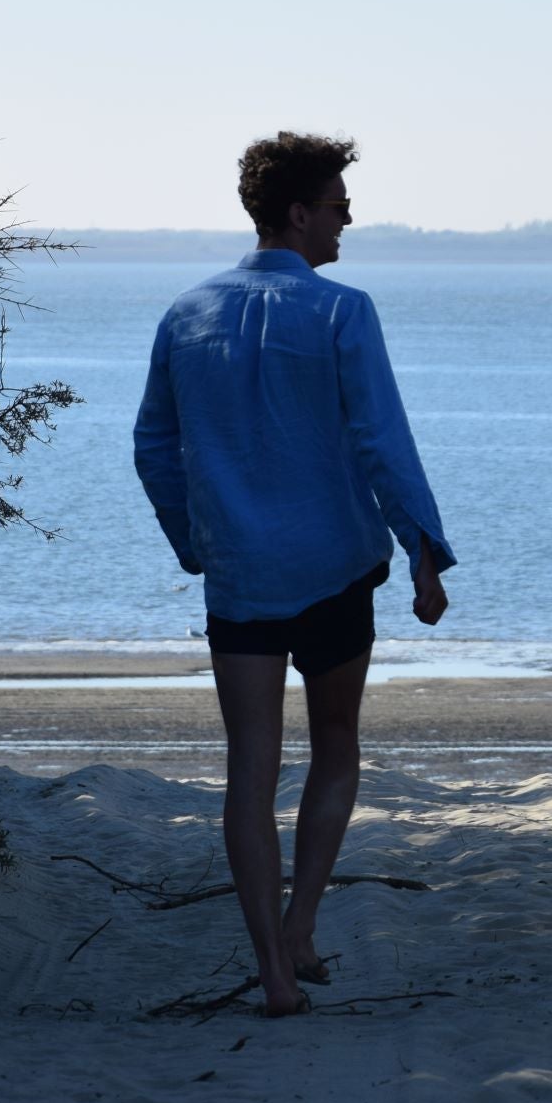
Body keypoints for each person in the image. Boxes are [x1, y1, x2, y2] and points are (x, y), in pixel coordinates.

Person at [133, 131, 455, 1018]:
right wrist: (425, 550)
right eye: (337, 202)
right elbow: (381, 441)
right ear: (298, 212)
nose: (348, 215)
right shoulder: (344, 310)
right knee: (336, 747)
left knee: (249, 770)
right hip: (334, 567)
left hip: (238, 577)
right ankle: (301, 922)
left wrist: (195, 541)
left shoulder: (187, 313)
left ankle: (275, 969)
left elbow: (153, 447)